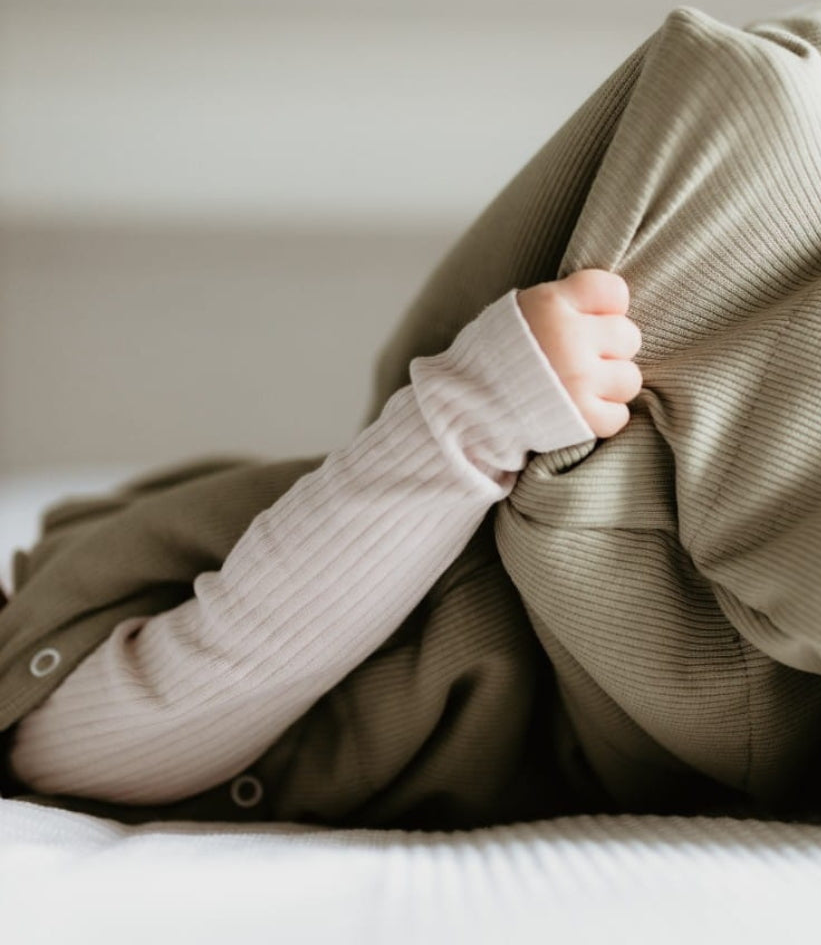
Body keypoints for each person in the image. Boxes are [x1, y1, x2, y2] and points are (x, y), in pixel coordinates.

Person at [5, 268, 642, 806]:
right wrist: (481, 407)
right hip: (577, 644)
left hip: (509, 520)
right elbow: (254, 639)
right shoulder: (49, 742)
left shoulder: (54, 574)